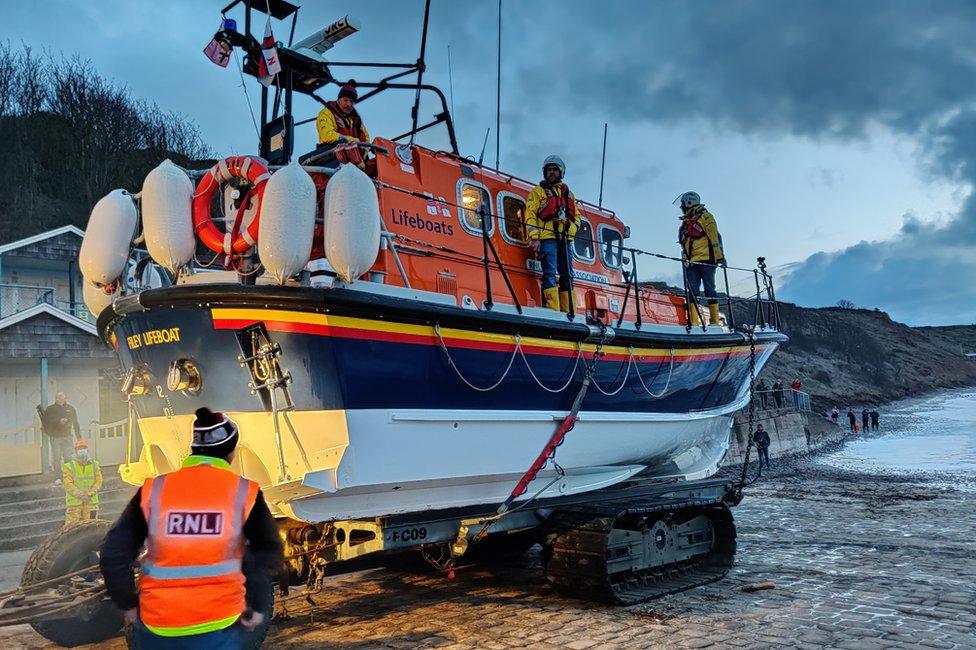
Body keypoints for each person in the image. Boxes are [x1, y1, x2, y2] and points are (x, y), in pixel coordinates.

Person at [100, 407, 282, 648]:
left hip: (157, 625)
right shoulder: (244, 492)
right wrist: (257, 604)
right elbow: (266, 553)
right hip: (220, 625)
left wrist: (127, 602)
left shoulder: (154, 490)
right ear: (231, 451)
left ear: (193, 449)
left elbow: (113, 553)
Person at [525, 155, 581, 312]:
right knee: (549, 274)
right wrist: (534, 237)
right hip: (547, 239)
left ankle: (570, 311)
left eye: (555, 170)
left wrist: (572, 230)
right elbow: (530, 215)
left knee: (568, 275)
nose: (551, 173)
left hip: (565, 240)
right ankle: (553, 311)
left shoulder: (569, 194)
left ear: (561, 172)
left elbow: (576, 217)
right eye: (549, 170)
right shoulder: (538, 192)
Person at [676, 191, 725, 327]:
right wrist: (686, 258)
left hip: (707, 260)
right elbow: (684, 243)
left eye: (682, 204)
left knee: (710, 289)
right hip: (691, 262)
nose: (681, 207)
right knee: (692, 291)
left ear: (689, 202)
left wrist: (720, 257)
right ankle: (694, 322)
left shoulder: (706, 217)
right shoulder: (686, 222)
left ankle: (714, 321)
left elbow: (714, 237)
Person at [315, 80, 370, 167]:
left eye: (351, 102)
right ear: (339, 99)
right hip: (331, 159)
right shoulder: (326, 113)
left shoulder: (356, 119)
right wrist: (354, 141)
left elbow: (366, 138)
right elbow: (327, 135)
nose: (348, 104)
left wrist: (364, 151)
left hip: (356, 162)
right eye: (346, 100)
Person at [41, 392, 81, 480]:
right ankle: (58, 478)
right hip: (55, 437)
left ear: (65, 398)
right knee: (57, 458)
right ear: (56, 399)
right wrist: (58, 421)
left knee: (68, 458)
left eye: (63, 398)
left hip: (67, 436)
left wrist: (79, 437)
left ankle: (68, 477)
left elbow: (75, 423)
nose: (61, 400)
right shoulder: (50, 409)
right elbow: (47, 422)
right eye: (59, 398)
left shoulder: (71, 408)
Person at [63, 439, 103, 526]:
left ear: (87, 450)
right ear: (75, 451)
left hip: (91, 503)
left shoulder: (95, 465)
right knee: (71, 530)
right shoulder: (68, 466)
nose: (82, 450)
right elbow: (68, 485)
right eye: (79, 448)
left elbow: (98, 482)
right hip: (74, 504)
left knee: (91, 528)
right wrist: (81, 495)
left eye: (84, 448)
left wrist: (89, 494)